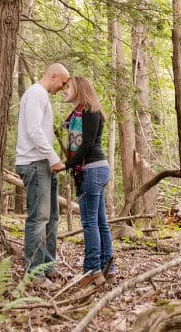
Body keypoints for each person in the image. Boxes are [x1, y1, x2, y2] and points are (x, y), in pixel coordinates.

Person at [15, 63, 70, 281]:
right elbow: (34, 131)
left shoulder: (41, 96)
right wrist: (54, 158)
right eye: (63, 83)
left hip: (44, 165)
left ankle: (47, 267)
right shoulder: (36, 93)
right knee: (39, 219)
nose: (63, 88)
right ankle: (34, 273)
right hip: (35, 163)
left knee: (52, 218)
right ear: (54, 76)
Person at [62, 75, 115, 287]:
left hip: (93, 170)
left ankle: (92, 270)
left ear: (80, 88)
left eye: (68, 87)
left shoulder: (90, 111)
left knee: (90, 222)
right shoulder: (78, 113)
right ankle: (107, 269)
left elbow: (87, 145)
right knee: (100, 222)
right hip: (92, 171)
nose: (65, 90)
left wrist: (66, 165)